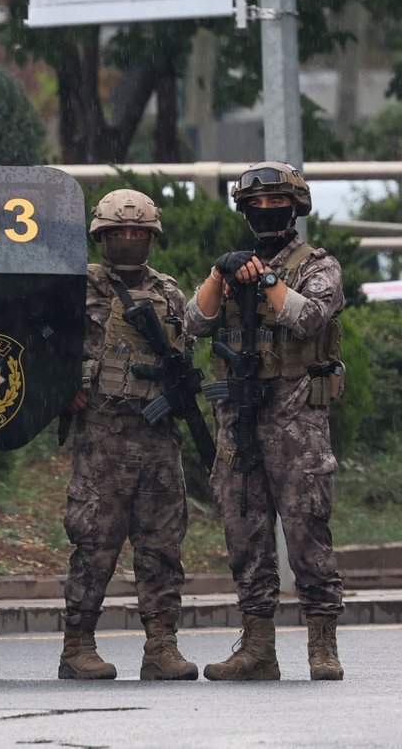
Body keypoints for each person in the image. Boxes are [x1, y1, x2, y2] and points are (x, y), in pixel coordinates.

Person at [186, 162, 345, 681]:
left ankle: (322, 645)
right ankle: (258, 648)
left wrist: (269, 278)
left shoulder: (317, 267)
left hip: (297, 422)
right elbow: (194, 322)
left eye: (277, 205)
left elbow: (308, 318)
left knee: (306, 531)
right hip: (240, 421)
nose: (267, 212)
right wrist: (219, 275)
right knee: (244, 532)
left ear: (296, 209)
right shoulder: (235, 268)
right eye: (257, 206)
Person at [58, 189, 197, 681]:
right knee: (94, 544)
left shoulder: (170, 293)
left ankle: (162, 646)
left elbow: (186, 353)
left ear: (151, 237)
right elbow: (43, 344)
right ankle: (77, 646)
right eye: (119, 233)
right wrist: (63, 389)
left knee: (162, 547)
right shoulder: (79, 289)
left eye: (137, 233)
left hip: (159, 439)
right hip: (104, 440)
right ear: (102, 236)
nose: (129, 240)